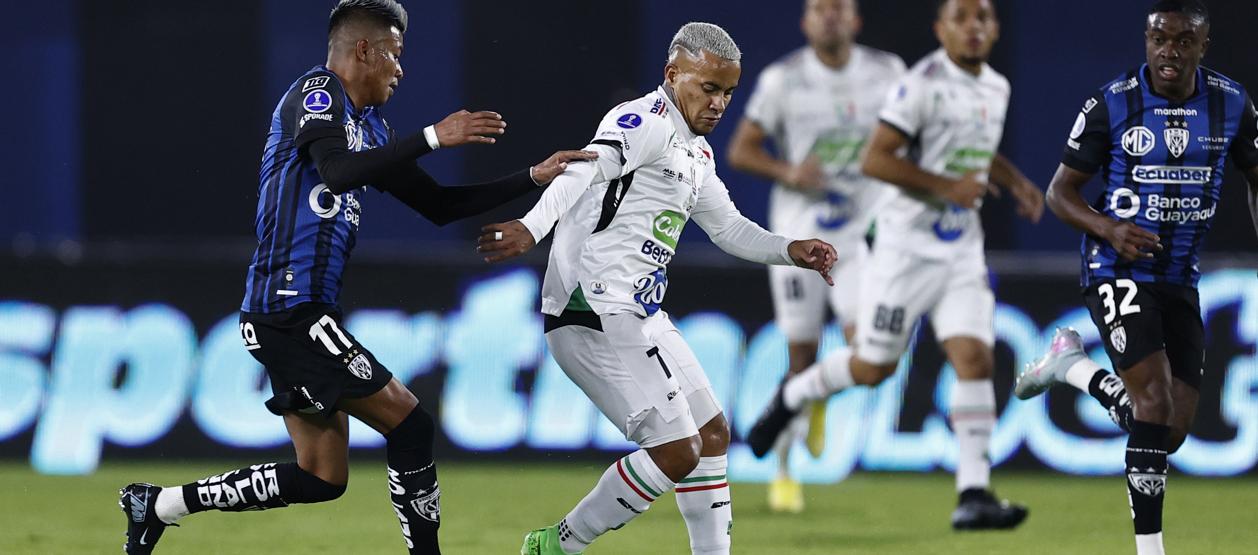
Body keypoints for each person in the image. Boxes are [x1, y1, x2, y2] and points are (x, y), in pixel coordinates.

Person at [116, 1, 594, 553]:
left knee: (321, 478)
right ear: (363, 50)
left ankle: (154, 505)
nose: (401, 68)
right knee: (411, 426)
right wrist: (435, 136)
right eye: (394, 53)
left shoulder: (372, 127)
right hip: (290, 308)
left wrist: (532, 177)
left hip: (293, 313)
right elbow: (337, 172)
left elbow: (437, 205)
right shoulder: (316, 94)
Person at [477, 22, 837, 555]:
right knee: (676, 450)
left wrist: (790, 249)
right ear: (673, 75)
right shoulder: (642, 121)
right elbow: (581, 171)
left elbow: (729, 228)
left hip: (639, 313)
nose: (719, 104)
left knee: (712, 434)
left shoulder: (697, 154)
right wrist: (533, 226)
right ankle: (556, 546)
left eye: (728, 93)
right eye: (708, 88)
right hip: (590, 311)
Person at [745, 0, 1044, 530]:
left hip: (959, 247)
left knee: (974, 358)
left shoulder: (996, 86)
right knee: (874, 367)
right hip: (904, 249)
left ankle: (973, 491)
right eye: (962, 18)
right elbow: (876, 158)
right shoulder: (919, 83)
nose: (974, 28)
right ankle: (796, 393)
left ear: (995, 29)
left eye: (984, 18)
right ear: (941, 29)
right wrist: (947, 187)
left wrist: (1016, 181)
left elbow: (973, 151)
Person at [1013, 1, 1258, 553]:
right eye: (1159, 38)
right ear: (1146, 40)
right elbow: (1059, 193)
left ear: (1203, 46)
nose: (1169, 51)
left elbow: (1256, 178)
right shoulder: (1112, 103)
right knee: (1150, 405)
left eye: (1182, 40)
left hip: (1179, 276)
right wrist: (1109, 229)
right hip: (1116, 266)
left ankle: (1073, 368)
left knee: (1167, 432)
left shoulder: (1232, 104)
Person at [726, 0, 904, 513]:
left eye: (838, 8)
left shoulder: (887, 71)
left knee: (871, 349)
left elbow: (913, 135)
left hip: (857, 235)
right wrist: (789, 173)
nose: (829, 16)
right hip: (800, 240)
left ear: (856, 19)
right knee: (799, 357)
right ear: (805, 22)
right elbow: (742, 149)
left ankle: (816, 393)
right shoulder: (784, 79)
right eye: (819, 9)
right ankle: (784, 471)